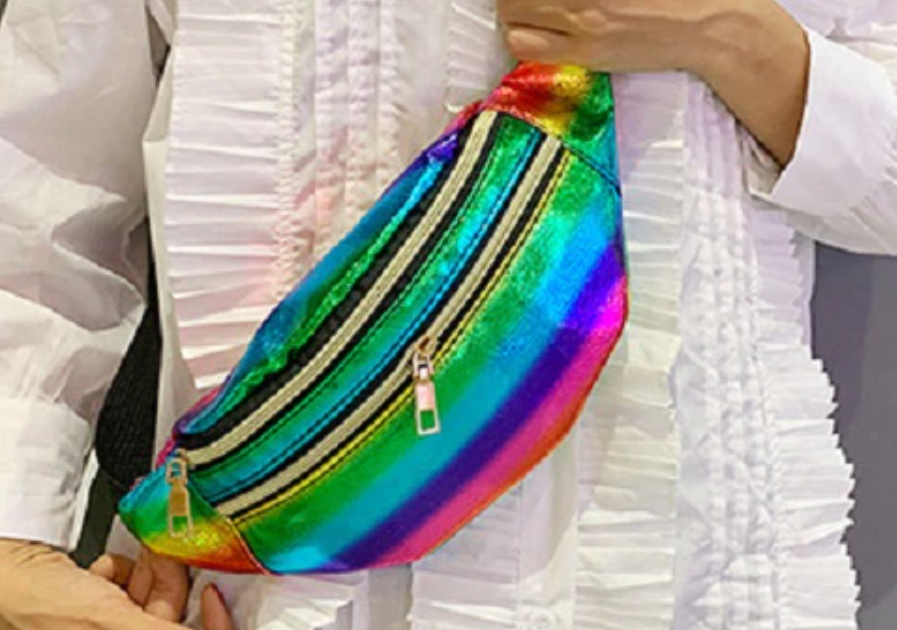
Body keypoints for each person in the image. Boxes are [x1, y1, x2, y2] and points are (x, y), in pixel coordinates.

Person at [1, 0, 896, 629]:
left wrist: (732, 33)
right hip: (273, 578)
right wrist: (13, 550)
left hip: (679, 568)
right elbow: (41, 190)